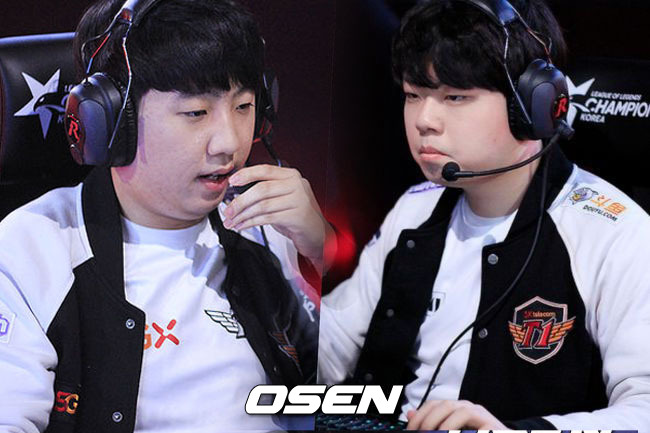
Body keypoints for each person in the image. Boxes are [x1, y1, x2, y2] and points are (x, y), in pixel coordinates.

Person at [0, 0, 333, 431]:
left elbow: (373, 384)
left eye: (244, 106)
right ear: (110, 121)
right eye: (196, 113)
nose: (228, 143)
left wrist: (325, 253)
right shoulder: (32, 248)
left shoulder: (273, 225)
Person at [318, 0, 650, 430]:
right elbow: (330, 351)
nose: (424, 120)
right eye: (413, 95)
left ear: (533, 105)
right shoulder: (414, 210)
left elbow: (644, 410)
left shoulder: (617, 236)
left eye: (455, 97)